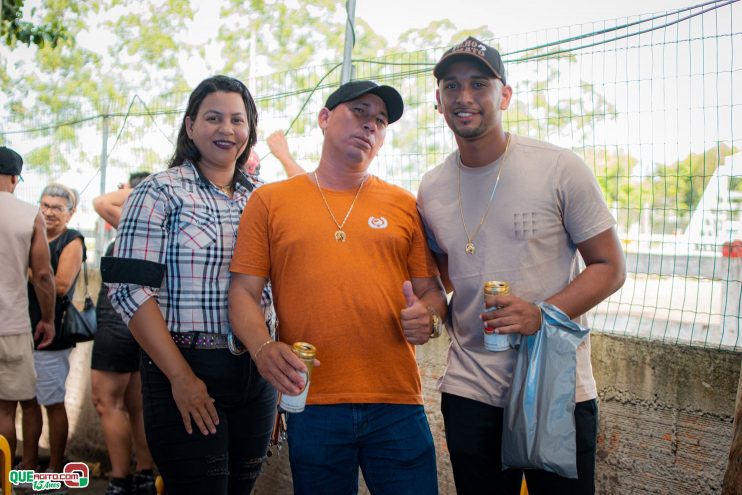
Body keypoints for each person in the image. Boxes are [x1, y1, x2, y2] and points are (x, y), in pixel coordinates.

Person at [416, 37, 627, 495]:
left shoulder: (558, 167)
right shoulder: (430, 188)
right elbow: (442, 281)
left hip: (555, 390)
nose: (464, 96)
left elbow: (610, 266)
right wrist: (429, 314)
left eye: (478, 84)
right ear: (438, 101)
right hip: (470, 389)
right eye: (451, 86)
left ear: (504, 95)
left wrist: (541, 313)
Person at [229, 80, 447, 495]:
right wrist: (261, 348)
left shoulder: (402, 204)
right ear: (324, 119)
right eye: (359, 112)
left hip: (397, 401)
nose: (370, 125)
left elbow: (432, 292)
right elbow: (242, 291)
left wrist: (431, 318)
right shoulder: (270, 201)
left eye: (380, 121)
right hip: (312, 401)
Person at [105, 75, 276, 495]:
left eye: (238, 120)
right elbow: (129, 289)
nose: (227, 129)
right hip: (184, 369)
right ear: (190, 126)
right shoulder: (159, 191)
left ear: (249, 130)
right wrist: (181, 377)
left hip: (257, 377)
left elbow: (276, 289)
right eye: (213, 117)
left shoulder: (264, 199)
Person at [91, 171, 156, 495]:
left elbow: (100, 202)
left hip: (120, 322)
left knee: (106, 401)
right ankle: (144, 474)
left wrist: (133, 189)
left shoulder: (140, 226)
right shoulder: (154, 229)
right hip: (142, 324)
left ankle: (119, 479)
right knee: (136, 404)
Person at [23, 183, 86, 481]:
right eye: (44, 205)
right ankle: (29, 463)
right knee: (28, 402)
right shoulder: (31, 234)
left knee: (52, 401)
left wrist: (27, 270)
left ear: (70, 214)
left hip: (53, 335)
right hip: (23, 331)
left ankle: (56, 467)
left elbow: (59, 285)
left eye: (57, 208)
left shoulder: (72, 240)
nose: (48, 212)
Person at [0, 146, 56, 470]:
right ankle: (11, 478)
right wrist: (47, 318)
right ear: (13, 178)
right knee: (9, 410)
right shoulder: (28, 213)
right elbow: (44, 275)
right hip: (11, 324)